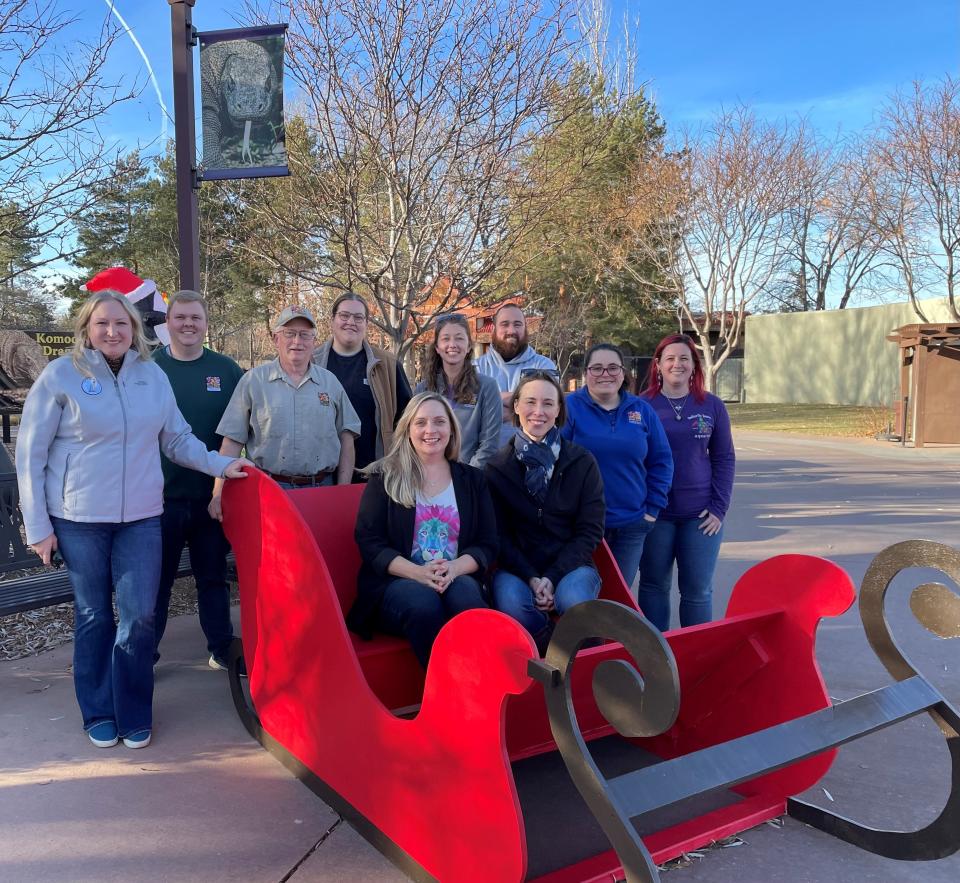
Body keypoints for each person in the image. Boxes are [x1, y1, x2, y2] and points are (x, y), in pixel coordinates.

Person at [15, 291, 250, 750]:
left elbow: (178, 440)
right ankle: (98, 710)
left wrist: (221, 466)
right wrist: (38, 526)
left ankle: (133, 708)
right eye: (102, 323)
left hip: (141, 517)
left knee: (140, 617)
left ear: (135, 330)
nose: (112, 332)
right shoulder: (61, 375)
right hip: (79, 518)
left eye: (121, 324)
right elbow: (31, 454)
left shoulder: (151, 377)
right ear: (87, 327)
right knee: (94, 615)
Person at [348, 392, 497, 667]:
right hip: (396, 583)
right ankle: (448, 694)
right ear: (407, 429)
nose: (431, 430)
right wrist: (417, 572)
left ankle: (483, 683)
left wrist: (453, 569)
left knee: (466, 600)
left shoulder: (472, 480)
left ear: (451, 429)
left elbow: (487, 543)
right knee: (424, 603)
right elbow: (369, 541)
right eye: (421, 423)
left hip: (456, 575)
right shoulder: (385, 477)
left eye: (440, 422)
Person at [153, 290, 245, 671]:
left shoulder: (227, 371)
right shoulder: (148, 368)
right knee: (156, 584)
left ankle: (221, 648)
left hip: (212, 497)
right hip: (158, 499)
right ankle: (145, 654)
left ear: (206, 324)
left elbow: (243, 431)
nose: (188, 324)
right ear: (168, 322)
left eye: (196, 318)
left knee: (212, 577)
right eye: (181, 317)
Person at [484, 370, 605, 651]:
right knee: (513, 605)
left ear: (559, 409)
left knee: (575, 602)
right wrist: (532, 577)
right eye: (530, 402)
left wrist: (551, 576)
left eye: (548, 403)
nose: (538, 412)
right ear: (516, 406)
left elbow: (590, 530)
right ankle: (549, 649)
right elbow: (498, 535)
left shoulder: (581, 462)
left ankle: (591, 664)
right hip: (517, 567)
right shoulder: (497, 468)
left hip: (571, 565)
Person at [211, 306, 360, 510]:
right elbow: (231, 443)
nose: (297, 341)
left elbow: (347, 438)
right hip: (268, 491)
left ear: (314, 341)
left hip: (322, 492)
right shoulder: (253, 381)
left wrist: (342, 491)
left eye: (304, 335)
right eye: (289, 333)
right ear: (275, 339)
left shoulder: (330, 383)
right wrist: (218, 494)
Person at [638, 334, 736, 631]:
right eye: (670, 358)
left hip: (700, 517)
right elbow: (632, 460)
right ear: (658, 365)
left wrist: (719, 508)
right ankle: (655, 659)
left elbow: (724, 458)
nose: (676, 364)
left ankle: (694, 658)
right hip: (656, 515)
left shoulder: (712, 406)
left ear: (694, 366)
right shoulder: (642, 405)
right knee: (653, 586)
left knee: (697, 592)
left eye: (684, 358)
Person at [561, 343, 673, 593]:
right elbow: (555, 459)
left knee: (615, 598)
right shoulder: (569, 408)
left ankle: (608, 635)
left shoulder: (641, 410)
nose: (605, 374)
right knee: (579, 596)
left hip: (631, 525)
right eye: (597, 368)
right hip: (581, 526)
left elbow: (662, 460)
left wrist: (651, 510)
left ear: (623, 373)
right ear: (586, 373)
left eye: (613, 368)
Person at [314, 293, 413, 476]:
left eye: (358, 317)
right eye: (344, 315)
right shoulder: (312, 363)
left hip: (375, 473)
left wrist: (397, 461)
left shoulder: (388, 365)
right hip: (322, 476)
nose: (351, 322)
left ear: (366, 324)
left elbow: (407, 419)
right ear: (332, 320)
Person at [415, 314, 501, 468]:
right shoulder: (422, 390)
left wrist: (467, 477)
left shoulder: (487, 387)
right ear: (437, 348)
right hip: (429, 476)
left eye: (459, 338)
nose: (452, 344)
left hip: (471, 477)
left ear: (469, 346)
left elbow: (489, 444)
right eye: (446, 339)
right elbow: (415, 437)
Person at [475, 303, 557, 446]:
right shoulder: (475, 368)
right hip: (484, 458)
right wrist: (524, 405)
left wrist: (490, 403)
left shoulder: (543, 366)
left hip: (532, 457)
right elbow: (471, 416)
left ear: (525, 328)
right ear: (494, 329)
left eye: (517, 324)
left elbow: (545, 411)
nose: (511, 330)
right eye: (505, 324)